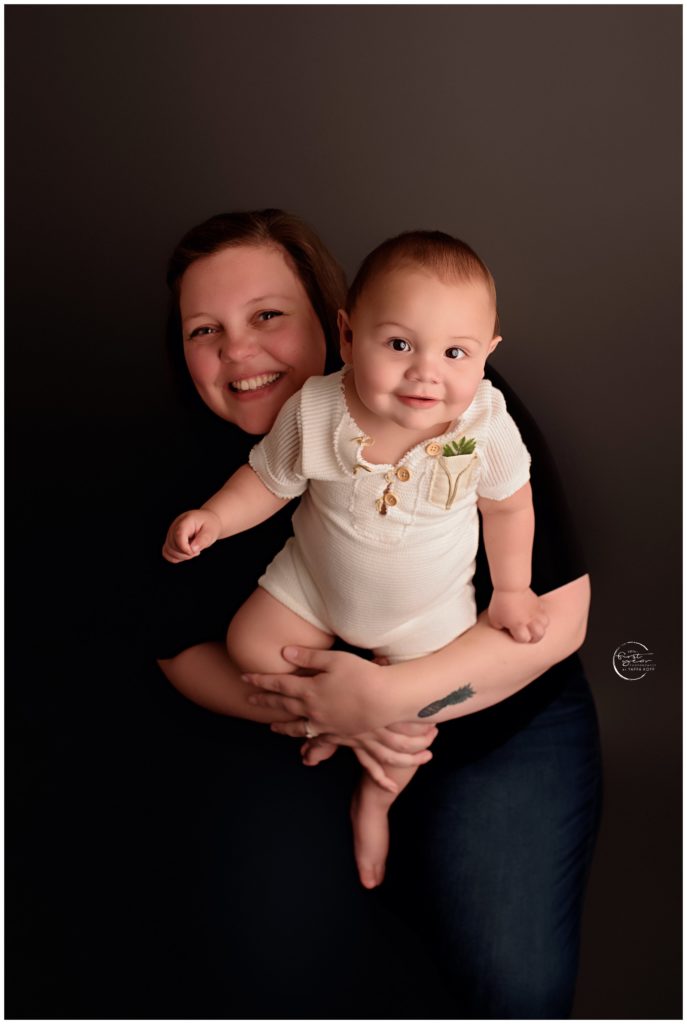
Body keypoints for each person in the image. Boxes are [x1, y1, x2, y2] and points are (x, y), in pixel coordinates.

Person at [151, 208, 602, 1018]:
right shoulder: (310, 417)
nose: (239, 350)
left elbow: (541, 592)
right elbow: (173, 640)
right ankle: (367, 778)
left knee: (513, 986)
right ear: (354, 330)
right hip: (311, 652)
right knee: (273, 959)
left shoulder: (468, 413)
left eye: (267, 316)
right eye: (203, 330)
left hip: (451, 666)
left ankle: (378, 794)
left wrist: (390, 697)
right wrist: (332, 708)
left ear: (325, 317)